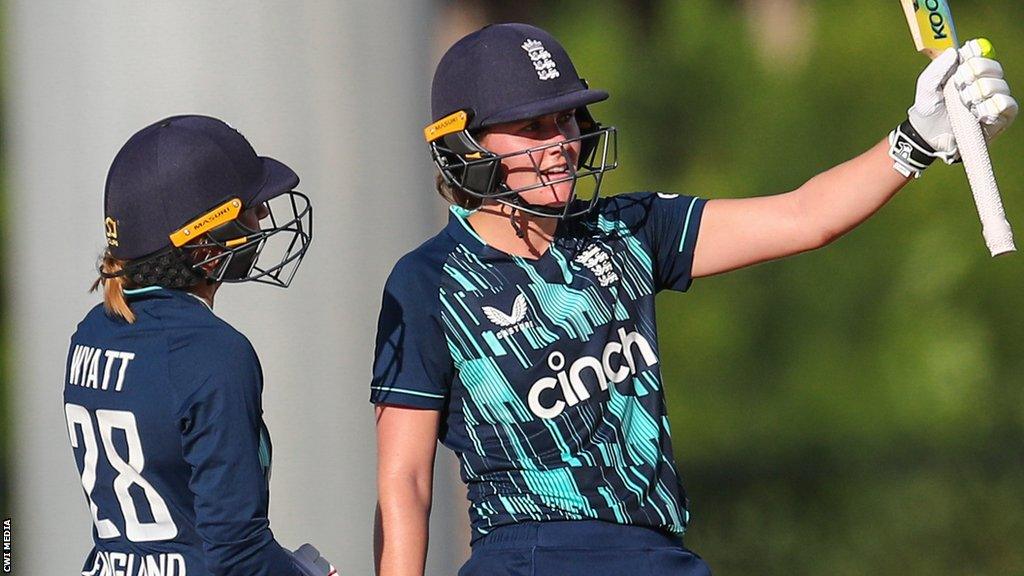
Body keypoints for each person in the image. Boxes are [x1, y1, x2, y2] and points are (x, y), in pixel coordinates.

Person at [370, 23, 1017, 576]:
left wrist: (915, 139)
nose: (563, 141)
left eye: (568, 117)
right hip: (530, 553)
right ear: (465, 147)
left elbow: (804, 216)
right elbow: (406, 479)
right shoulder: (430, 280)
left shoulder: (629, 228)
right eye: (534, 126)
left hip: (655, 553)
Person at [63, 115, 334, 576]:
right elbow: (238, 553)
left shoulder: (92, 331)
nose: (263, 215)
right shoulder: (213, 352)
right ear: (205, 240)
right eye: (248, 207)